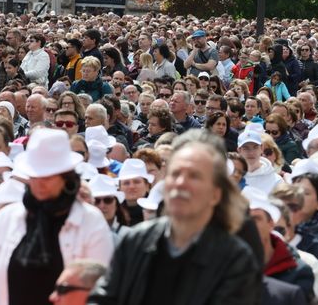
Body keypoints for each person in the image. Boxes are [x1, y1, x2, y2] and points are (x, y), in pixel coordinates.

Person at [89, 130, 262, 304]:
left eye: (194, 176)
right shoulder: (134, 241)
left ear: (216, 194)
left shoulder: (236, 260)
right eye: (175, 174)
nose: (180, 183)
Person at [0, 129, 113, 305]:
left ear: (65, 176)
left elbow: (100, 286)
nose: (39, 183)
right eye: (35, 175)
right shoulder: (6, 218)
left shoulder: (91, 221)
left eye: (47, 176)